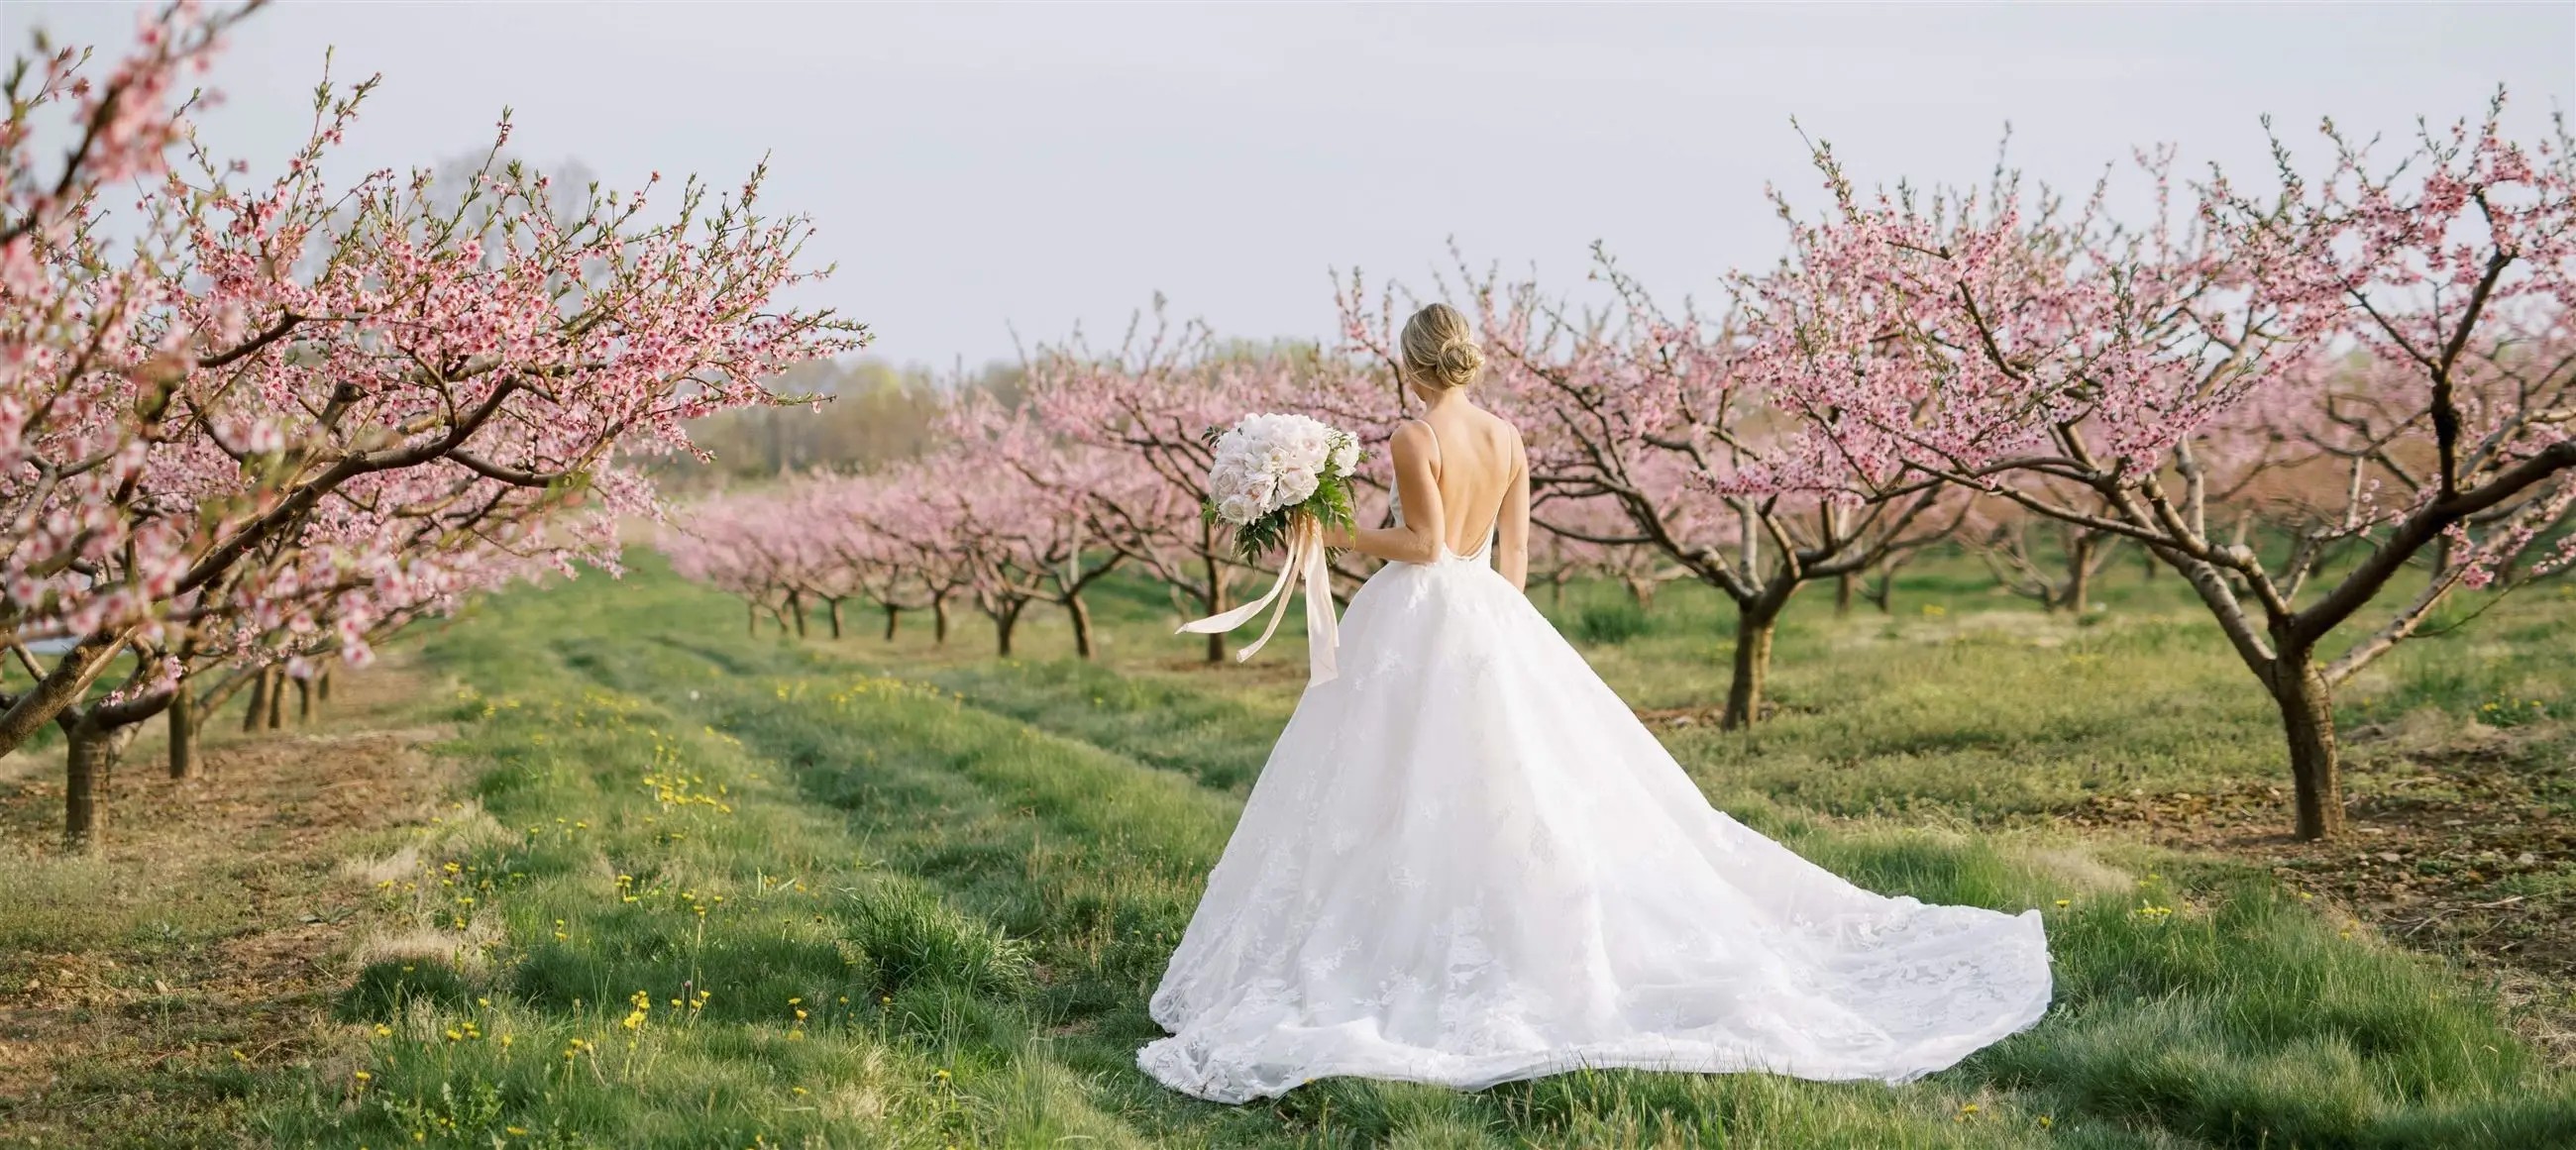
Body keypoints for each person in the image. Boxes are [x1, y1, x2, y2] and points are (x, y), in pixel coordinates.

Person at [1137, 303, 2052, 1103]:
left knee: (1397, 780)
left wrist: (1329, 528)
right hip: (1493, 610)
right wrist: (1499, 621)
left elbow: (1419, 543)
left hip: (1424, 610)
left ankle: (1406, 944)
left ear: (1410, 364)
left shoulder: (1413, 439)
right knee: (1513, 778)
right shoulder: (1508, 438)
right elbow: (1517, 555)